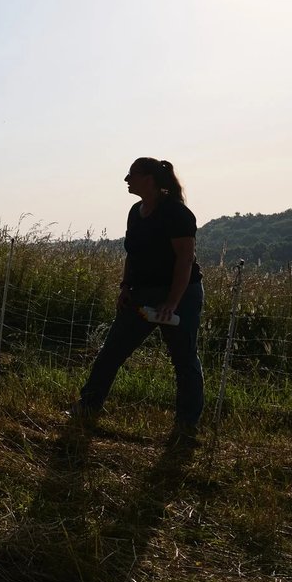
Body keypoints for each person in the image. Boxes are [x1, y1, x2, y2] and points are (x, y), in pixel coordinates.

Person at [72, 157, 205, 443]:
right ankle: (87, 406)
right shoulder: (136, 211)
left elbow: (185, 259)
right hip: (140, 294)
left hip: (180, 295)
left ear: (150, 180)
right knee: (112, 351)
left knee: (184, 360)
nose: (126, 180)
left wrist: (172, 301)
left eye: (132, 175)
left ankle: (186, 426)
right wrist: (125, 286)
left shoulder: (177, 214)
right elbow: (132, 254)